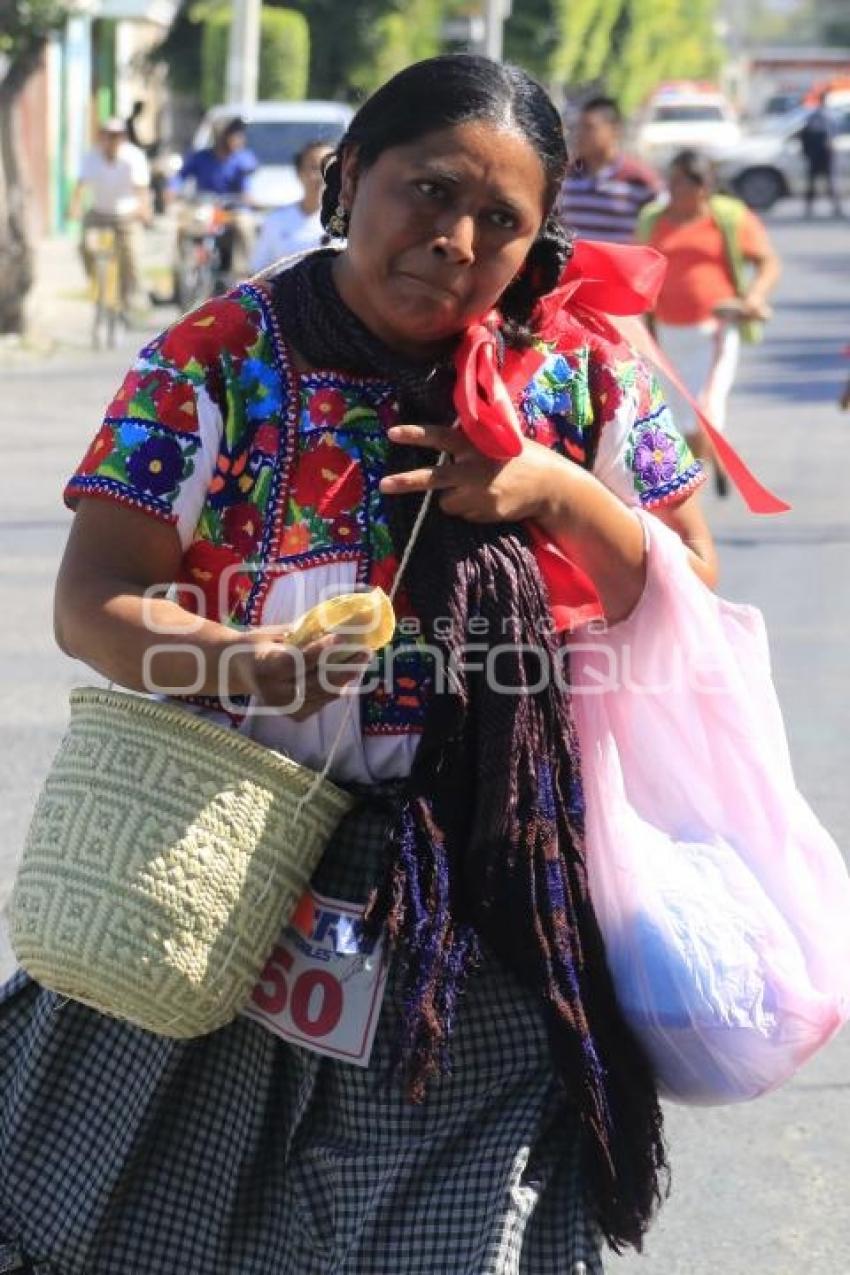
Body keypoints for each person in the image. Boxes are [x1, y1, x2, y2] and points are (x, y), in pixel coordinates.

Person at [0, 55, 718, 1273]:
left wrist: (553, 492)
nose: (455, 239)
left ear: (539, 240)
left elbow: (688, 578)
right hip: (228, 865)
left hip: (492, 882)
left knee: (468, 1238)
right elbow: (92, 603)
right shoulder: (217, 356)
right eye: (428, 191)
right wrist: (237, 663)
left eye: (501, 221)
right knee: (155, 1224)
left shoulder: (580, 374)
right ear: (346, 182)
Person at [636, 148, 780, 496]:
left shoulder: (728, 218)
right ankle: (709, 461)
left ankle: (686, 488)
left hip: (713, 330)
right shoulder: (654, 219)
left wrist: (754, 297)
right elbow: (643, 267)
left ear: (703, 187)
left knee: (703, 407)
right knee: (678, 411)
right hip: (668, 330)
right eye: (670, 179)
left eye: (682, 181)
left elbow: (767, 262)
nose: (673, 188)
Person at [68, 117, 152, 313]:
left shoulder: (133, 157)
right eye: (108, 135)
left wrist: (144, 209)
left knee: (132, 256)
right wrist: (74, 206)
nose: (112, 140)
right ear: (101, 137)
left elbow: (141, 189)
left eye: (117, 136)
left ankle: (130, 296)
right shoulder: (92, 157)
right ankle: (97, 285)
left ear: (123, 138)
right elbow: (81, 186)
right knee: (85, 248)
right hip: (99, 213)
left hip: (126, 216)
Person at [556, 95, 660, 242]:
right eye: (578, 127)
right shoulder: (564, 177)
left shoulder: (640, 181)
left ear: (614, 130)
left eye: (589, 128)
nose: (580, 134)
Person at [173, 116, 259, 276]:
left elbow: (247, 180)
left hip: (230, 212)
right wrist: (172, 189)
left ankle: (245, 273)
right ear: (221, 137)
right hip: (204, 209)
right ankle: (182, 272)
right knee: (181, 227)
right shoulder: (200, 157)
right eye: (234, 134)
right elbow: (180, 176)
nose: (239, 138)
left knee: (245, 225)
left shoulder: (242, 158)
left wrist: (247, 196)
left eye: (239, 134)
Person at [251, 140, 334, 273]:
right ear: (299, 173)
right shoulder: (276, 221)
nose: (321, 176)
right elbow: (258, 272)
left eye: (329, 168)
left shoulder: (348, 223)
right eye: (314, 168)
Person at [799, 94, 842, 219]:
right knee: (825, 182)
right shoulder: (823, 116)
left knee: (822, 182)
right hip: (822, 154)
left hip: (820, 154)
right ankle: (831, 208)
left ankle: (833, 208)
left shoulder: (818, 116)